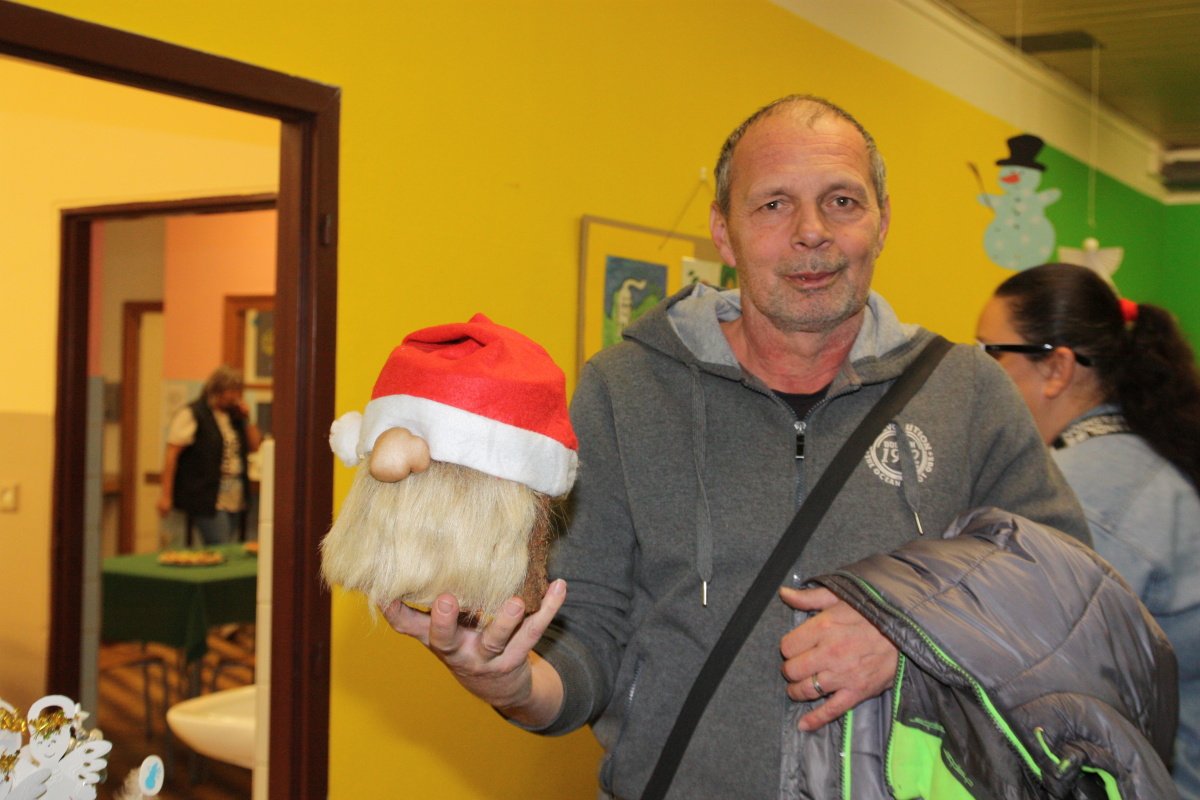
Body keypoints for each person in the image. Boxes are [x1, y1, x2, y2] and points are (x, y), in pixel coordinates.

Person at [381, 96, 1175, 798]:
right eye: (772, 205)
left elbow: (1072, 608)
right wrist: (512, 681)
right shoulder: (625, 389)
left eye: (842, 201)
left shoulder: (968, 393)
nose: (812, 233)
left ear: (882, 222)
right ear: (723, 232)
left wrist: (916, 640)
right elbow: (586, 633)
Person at [977, 262, 1200, 800]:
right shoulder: (1133, 458)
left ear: (1056, 368)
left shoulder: (1083, 498)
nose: (977, 376)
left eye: (991, 354)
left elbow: (1035, 684)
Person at [157, 365, 262, 546]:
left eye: (238, 391)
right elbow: (171, 454)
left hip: (235, 494)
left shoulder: (235, 418)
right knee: (220, 541)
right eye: (231, 391)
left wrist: (247, 418)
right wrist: (166, 495)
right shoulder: (193, 414)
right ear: (217, 390)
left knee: (228, 543)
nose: (236, 396)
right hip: (206, 495)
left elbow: (255, 446)